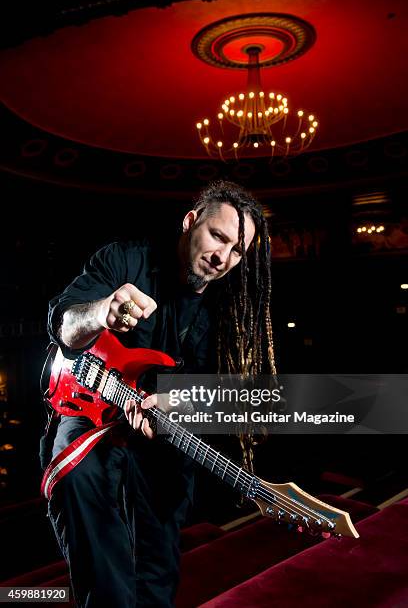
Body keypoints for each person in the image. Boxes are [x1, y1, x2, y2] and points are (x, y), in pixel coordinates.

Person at [41, 180, 276, 607]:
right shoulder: (127, 258)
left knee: (157, 569)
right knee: (77, 474)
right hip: (90, 407)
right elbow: (65, 328)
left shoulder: (231, 312)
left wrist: (176, 403)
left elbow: (230, 397)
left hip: (161, 431)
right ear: (191, 222)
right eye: (218, 237)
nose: (222, 257)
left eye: (237, 251)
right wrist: (102, 311)